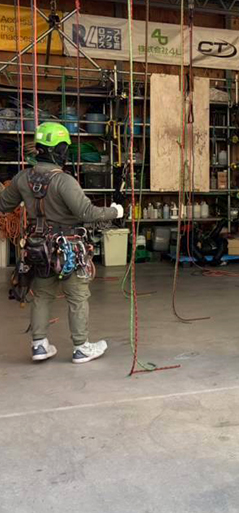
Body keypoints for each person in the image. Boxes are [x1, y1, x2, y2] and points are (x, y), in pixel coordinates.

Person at [0, 122, 124, 363]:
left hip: (37, 248)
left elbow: (4, 204)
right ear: (59, 150)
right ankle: (81, 347)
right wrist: (114, 212)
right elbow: (86, 213)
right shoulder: (64, 181)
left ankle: (39, 345)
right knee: (77, 296)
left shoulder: (23, 178)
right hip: (67, 249)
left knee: (42, 295)